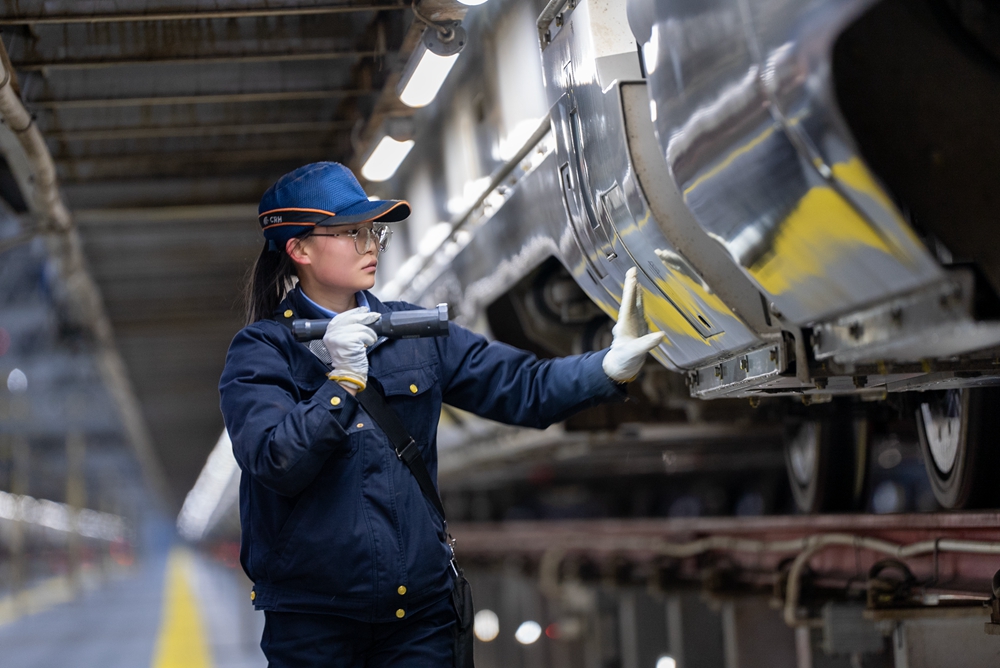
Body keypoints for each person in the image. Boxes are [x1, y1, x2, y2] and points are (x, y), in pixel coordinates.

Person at [219, 161, 664, 667]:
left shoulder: (411, 333)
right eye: (350, 232)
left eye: (373, 231)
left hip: (421, 620)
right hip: (314, 628)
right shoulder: (262, 352)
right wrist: (341, 382)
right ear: (298, 249)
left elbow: (522, 387)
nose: (370, 245)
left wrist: (607, 367)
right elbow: (276, 459)